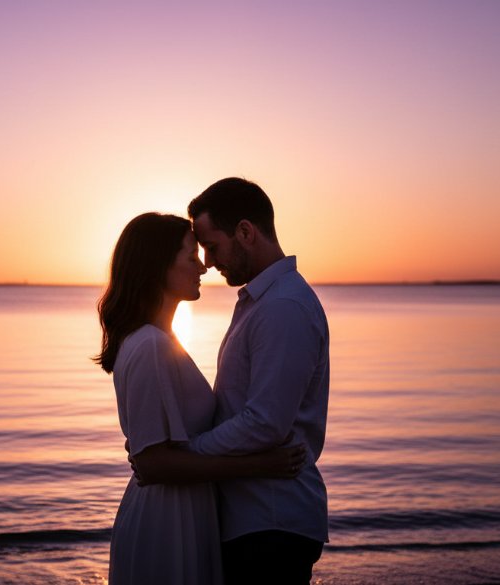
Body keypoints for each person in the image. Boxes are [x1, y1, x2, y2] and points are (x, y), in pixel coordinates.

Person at [95, 212, 307, 585]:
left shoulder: (160, 341)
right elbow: (154, 464)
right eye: (191, 255)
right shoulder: (149, 346)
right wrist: (260, 465)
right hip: (167, 519)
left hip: (187, 510)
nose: (203, 266)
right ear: (158, 266)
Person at [174, 177, 331, 584]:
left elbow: (264, 422)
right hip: (257, 521)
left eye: (212, 246)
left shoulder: (283, 307)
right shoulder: (263, 302)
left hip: (271, 523)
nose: (208, 262)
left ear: (245, 232)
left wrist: (186, 453)